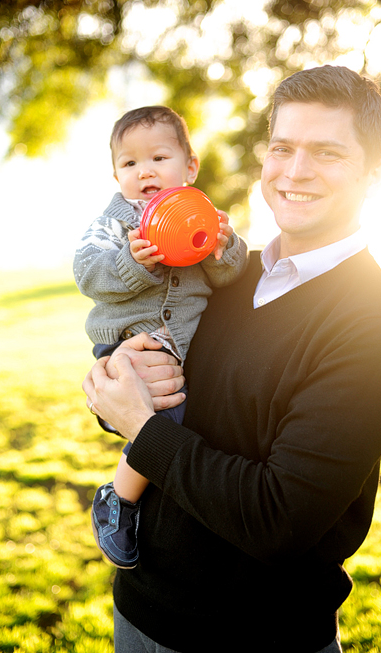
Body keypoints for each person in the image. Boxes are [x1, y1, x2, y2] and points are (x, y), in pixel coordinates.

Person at [81, 65, 381, 652]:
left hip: (256, 636)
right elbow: (151, 402)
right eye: (282, 148)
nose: (295, 172)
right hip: (138, 613)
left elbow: (276, 520)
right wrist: (116, 387)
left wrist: (142, 424)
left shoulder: (378, 328)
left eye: (327, 153)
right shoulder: (224, 274)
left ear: (376, 174)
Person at [73, 105, 249, 569]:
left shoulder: (201, 214)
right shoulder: (113, 222)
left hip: (184, 349)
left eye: (158, 158)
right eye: (129, 164)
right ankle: (118, 501)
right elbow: (87, 272)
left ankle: (151, 500)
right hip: (129, 341)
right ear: (116, 174)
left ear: (189, 166)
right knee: (164, 417)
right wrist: (135, 265)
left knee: (184, 415)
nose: (144, 172)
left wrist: (220, 247)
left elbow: (232, 272)